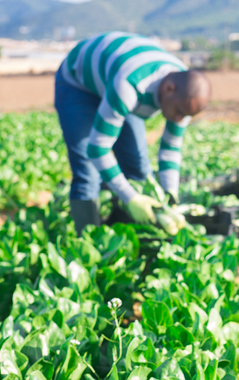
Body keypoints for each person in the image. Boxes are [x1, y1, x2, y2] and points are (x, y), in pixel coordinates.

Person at [54, 32, 212, 233]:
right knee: (87, 173)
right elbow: (97, 149)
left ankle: (128, 234)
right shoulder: (130, 86)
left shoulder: (186, 95)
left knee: (137, 165)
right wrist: (131, 198)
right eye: (179, 113)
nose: (179, 119)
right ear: (169, 88)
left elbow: (170, 149)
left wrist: (170, 193)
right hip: (78, 85)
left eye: (186, 115)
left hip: (113, 80)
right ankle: (89, 241)